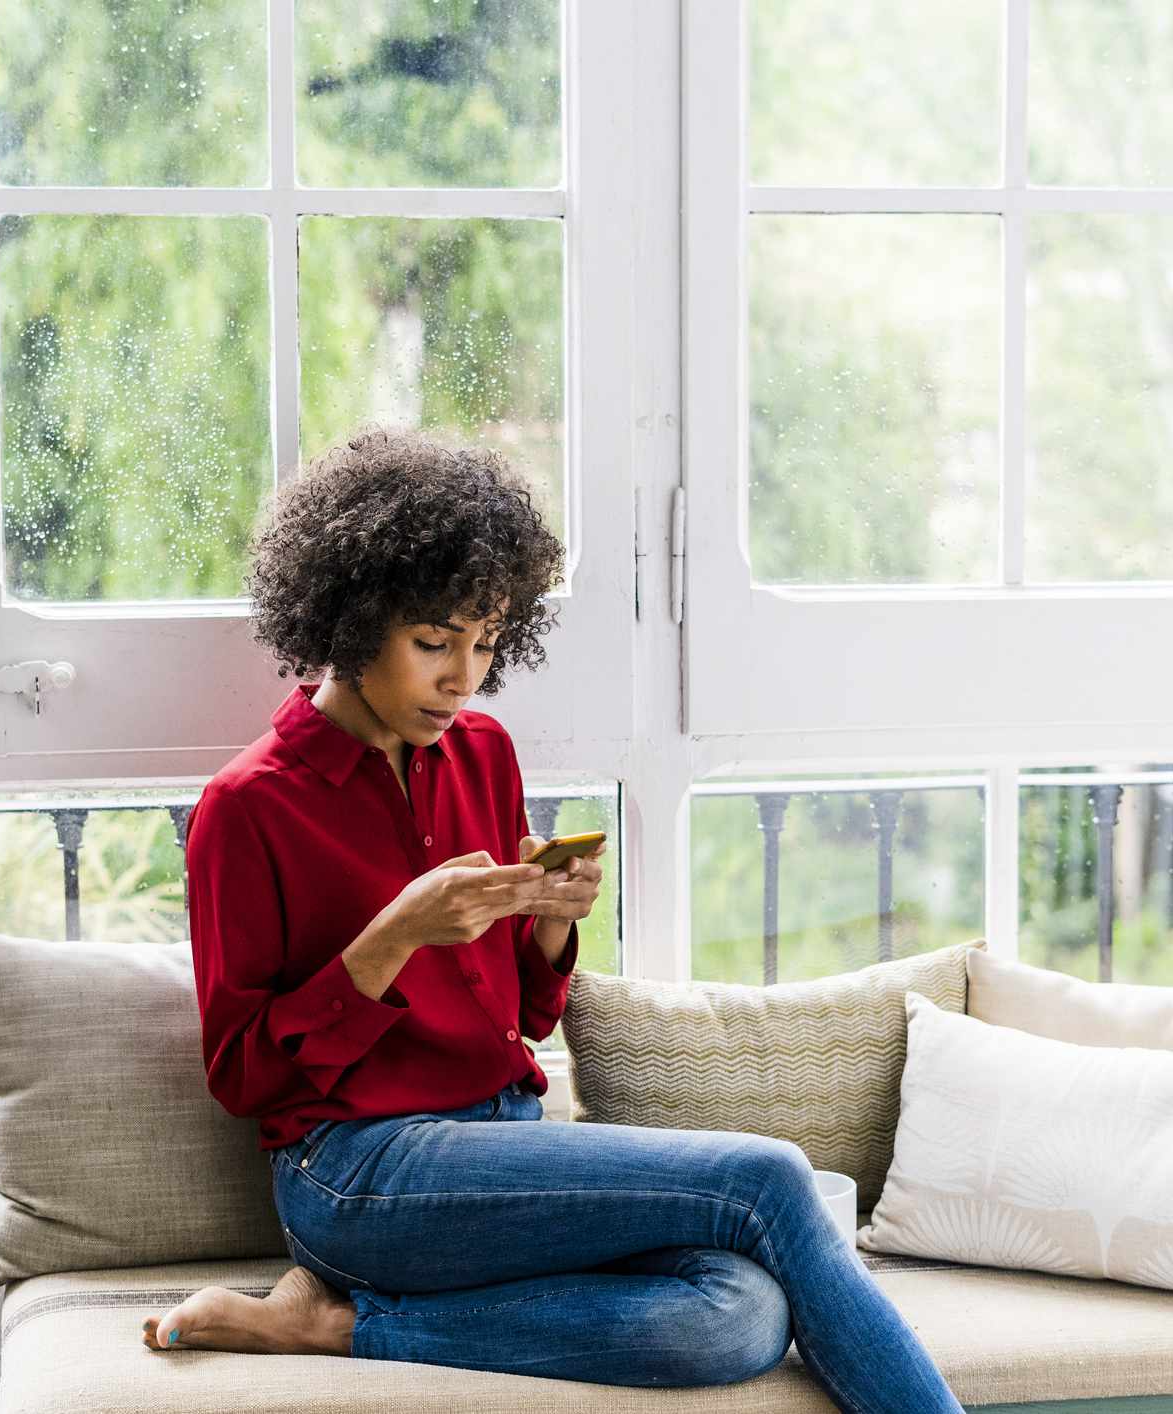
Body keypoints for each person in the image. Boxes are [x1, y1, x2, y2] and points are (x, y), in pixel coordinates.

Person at [142, 426, 964, 1414]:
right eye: (433, 642)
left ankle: (338, 1324)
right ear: (353, 618)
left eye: (486, 644)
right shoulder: (249, 808)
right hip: (359, 1176)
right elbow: (242, 1076)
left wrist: (548, 928)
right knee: (767, 1178)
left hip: (505, 1137)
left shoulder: (482, 754)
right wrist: (389, 940)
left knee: (734, 1313)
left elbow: (529, 1017)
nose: (463, 678)